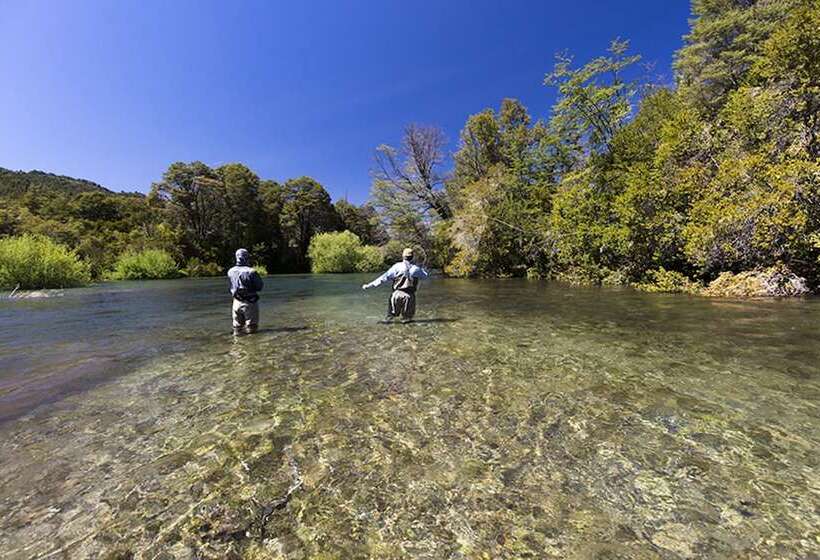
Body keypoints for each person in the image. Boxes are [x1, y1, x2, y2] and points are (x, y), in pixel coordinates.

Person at [362, 247, 429, 323]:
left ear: (403, 256)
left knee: (390, 318)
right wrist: (422, 268)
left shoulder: (397, 267)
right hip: (409, 297)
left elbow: (383, 278)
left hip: (396, 295)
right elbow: (425, 276)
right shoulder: (416, 269)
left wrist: (369, 285)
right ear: (412, 257)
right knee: (407, 320)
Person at [227, 248, 264, 335]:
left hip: (236, 302)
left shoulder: (230, 271)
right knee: (252, 328)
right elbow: (259, 287)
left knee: (237, 328)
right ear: (247, 258)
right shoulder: (251, 272)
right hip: (250, 302)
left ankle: (237, 346)